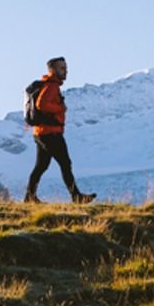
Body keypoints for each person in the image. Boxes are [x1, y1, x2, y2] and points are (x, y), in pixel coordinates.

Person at [24, 56, 95, 204]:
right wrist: (60, 108)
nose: (66, 71)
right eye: (62, 68)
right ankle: (76, 197)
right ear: (53, 70)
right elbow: (41, 104)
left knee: (41, 166)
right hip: (51, 133)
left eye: (66, 68)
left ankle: (29, 197)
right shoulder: (51, 86)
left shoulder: (47, 84)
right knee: (65, 163)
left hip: (41, 132)